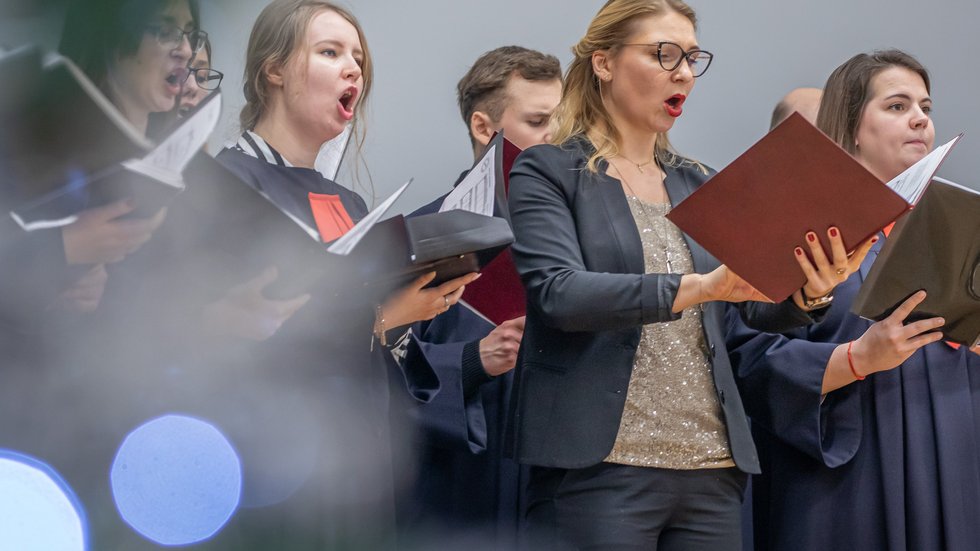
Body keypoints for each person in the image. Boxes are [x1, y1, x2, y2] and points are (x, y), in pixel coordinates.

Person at [504, 1, 874, 548]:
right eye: (663, 54)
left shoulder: (701, 182)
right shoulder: (548, 169)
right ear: (603, 63)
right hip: (600, 468)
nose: (682, 72)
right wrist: (702, 287)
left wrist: (810, 293)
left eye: (692, 58)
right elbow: (559, 295)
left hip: (711, 468)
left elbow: (751, 308)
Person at [204, 1, 479, 547]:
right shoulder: (227, 184)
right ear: (274, 69)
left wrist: (414, 306)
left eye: (358, 57)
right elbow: (232, 338)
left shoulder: (348, 201)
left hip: (360, 455)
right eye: (330, 53)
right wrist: (379, 315)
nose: (355, 68)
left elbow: (370, 328)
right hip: (274, 461)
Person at [728, 49, 980, 551]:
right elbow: (748, 361)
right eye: (896, 105)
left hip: (950, 447)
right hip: (847, 470)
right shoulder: (792, 231)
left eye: (926, 108)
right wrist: (857, 358)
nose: (920, 119)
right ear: (851, 129)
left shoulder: (957, 228)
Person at [395, 45, 561, 547]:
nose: (556, 138)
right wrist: (471, 360)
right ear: (485, 128)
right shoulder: (418, 241)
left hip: (559, 490)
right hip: (456, 490)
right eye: (539, 122)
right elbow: (377, 367)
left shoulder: (580, 243)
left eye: (562, 121)